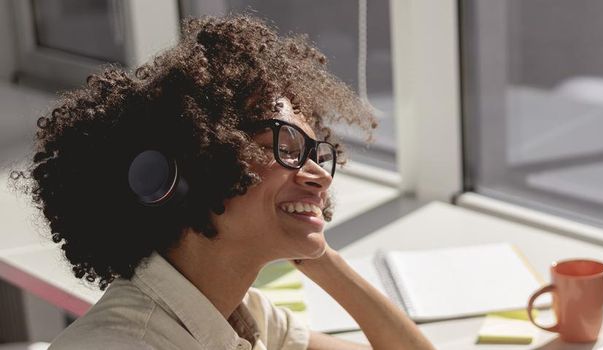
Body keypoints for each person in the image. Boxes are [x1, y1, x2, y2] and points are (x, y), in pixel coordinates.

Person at [13, 15, 434, 350]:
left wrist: (321, 255)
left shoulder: (242, 316)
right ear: (194, 166)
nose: (321, 175)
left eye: (315, 153)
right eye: (285, 146)